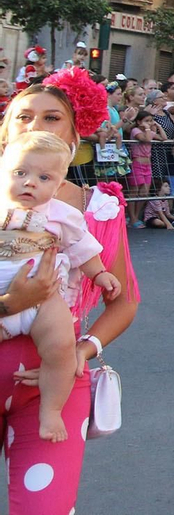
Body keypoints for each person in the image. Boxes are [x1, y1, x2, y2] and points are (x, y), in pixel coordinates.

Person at [0, 73, 141, 513]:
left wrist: (81, 350)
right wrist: (14, 304)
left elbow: (124, 301)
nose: (35, 125)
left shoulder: (96, 209)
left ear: (74, 136)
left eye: (52, 117)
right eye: (23, 116)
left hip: (52, 384)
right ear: (6, 131)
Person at [0, 132, 122, 441]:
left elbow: (82, 246)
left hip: (45, 301)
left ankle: (51, 410)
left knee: (63, 348)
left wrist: (99, 273)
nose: (30, 183)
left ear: (58, 186)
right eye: (20, 172)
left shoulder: (61, 214)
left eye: (44, 178)